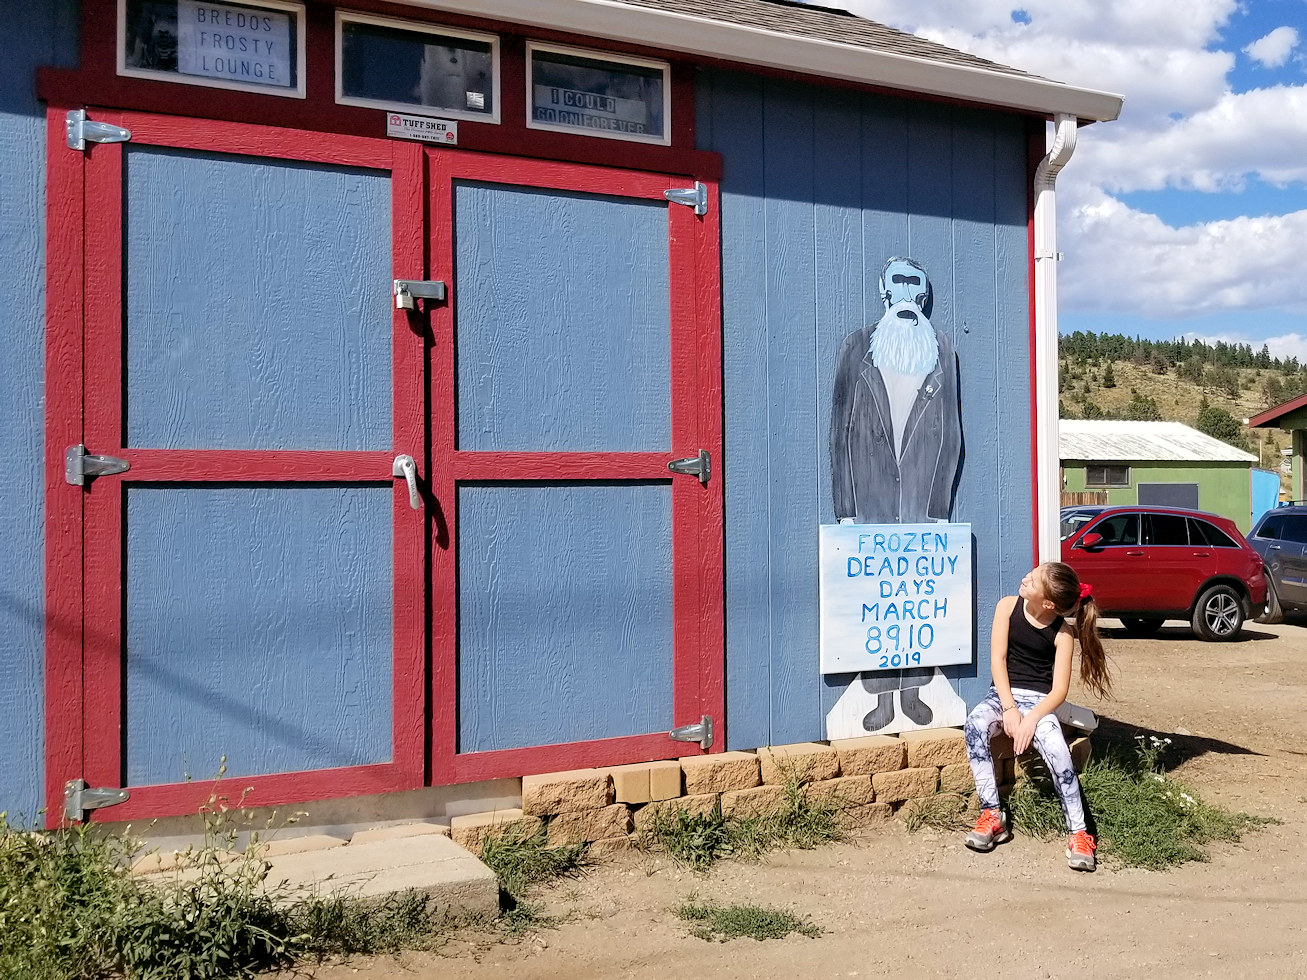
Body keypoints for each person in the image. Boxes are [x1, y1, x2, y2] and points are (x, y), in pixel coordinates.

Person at [962, 561, 1112, 871]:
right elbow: (998, 661)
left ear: (1048, 603)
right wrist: (1009, 709)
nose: (1026, 577)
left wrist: (1030, 720)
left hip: (1041, 704)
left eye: (1034, 581)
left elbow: (1058, 692)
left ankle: (1080, 832)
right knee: (975, 725)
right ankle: (992, 814)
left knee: (1057, 748)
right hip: (1003, 697)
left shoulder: (1063, 633)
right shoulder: (1007, 607)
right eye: (1033, 573)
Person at [829, 256, 962, 525]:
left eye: (914, 283)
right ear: (883, 290)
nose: (906, 293)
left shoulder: (942, 351)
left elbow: (951, 436)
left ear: (923, 295)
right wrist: (846, 512)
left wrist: (938, 512)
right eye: (898, 282)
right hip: (868, 512)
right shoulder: (855, 348)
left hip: (921, 513)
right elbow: (840, 434)